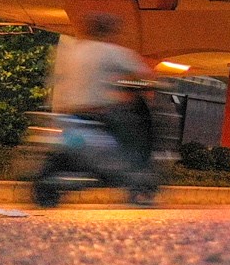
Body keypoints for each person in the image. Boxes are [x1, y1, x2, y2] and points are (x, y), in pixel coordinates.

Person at [47, 11, 157, 200]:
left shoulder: (72, 51)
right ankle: (131, 168)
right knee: (134, 129)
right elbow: (144, 74)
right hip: (100, 114)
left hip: (68, 114)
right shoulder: (114, 52)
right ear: (110, 32)